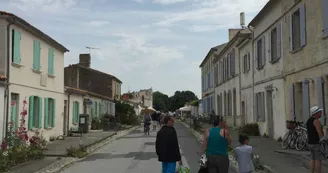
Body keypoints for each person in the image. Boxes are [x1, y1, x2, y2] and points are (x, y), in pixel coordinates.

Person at [306, 106, 325, 173]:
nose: (321, 113)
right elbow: (319, 132)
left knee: (312, 159)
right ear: (316, 113)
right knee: (318, 160)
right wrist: (323, 140)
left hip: (310, 142)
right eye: (319, 112)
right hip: (316, 143)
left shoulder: (308, 120)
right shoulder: (316, 121)